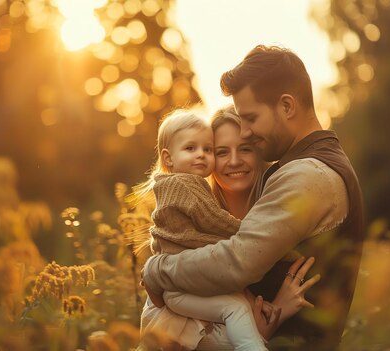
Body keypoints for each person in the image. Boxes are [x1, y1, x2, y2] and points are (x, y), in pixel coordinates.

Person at [142, 45, 365, 350]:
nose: (245, 132)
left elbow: (237, 261)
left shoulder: (308, 174)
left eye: (250, 118)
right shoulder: (303, 166)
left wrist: (157, 269)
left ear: (287, 106)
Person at [134, 108, 319, 350]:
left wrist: (276, 313)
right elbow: (160, 316)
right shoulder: (195, 216)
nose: (234, 161)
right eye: (222, 151)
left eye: (245, 148)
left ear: (260, 153)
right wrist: (154, 269)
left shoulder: (280, 217)